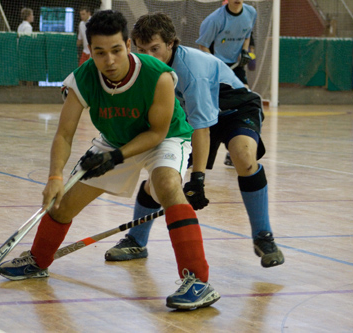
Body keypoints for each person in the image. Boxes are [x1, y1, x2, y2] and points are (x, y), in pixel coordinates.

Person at [0, 10, 220, 311]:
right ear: (90, 51)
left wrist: (115, 158)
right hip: (114, 140)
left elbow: (156, 133)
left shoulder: (159, 75)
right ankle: (37, 261)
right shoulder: (83, 79)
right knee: (61, 204)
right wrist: (54, 178)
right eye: (100, 53)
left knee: (167, 184)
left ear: (128, 45)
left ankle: (199, 282)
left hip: (164, 138)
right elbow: (64, 134)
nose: (110, 60)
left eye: (116, 50)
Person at [104, 13, 284, 271]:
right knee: (162, 175)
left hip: (235, 109)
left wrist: (197, 179)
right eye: (142, 50)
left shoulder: (191, 71)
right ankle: (136, 240)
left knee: (244, 158)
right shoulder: (141, 67)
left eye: (155, 49)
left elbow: (202, 128)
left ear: (171, 44)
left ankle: (263, 236)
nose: (148, 56)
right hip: (193, 115)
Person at [196, 0, 257, 167]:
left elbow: (247, 34)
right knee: (215, 109)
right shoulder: (214, 19)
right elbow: (203, 46)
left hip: (236, 66)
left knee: (244, 100)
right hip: (216, 65)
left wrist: (245, 51)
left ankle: (234, 150)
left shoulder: (251, 12)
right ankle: (202, 153)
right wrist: (217, 67)